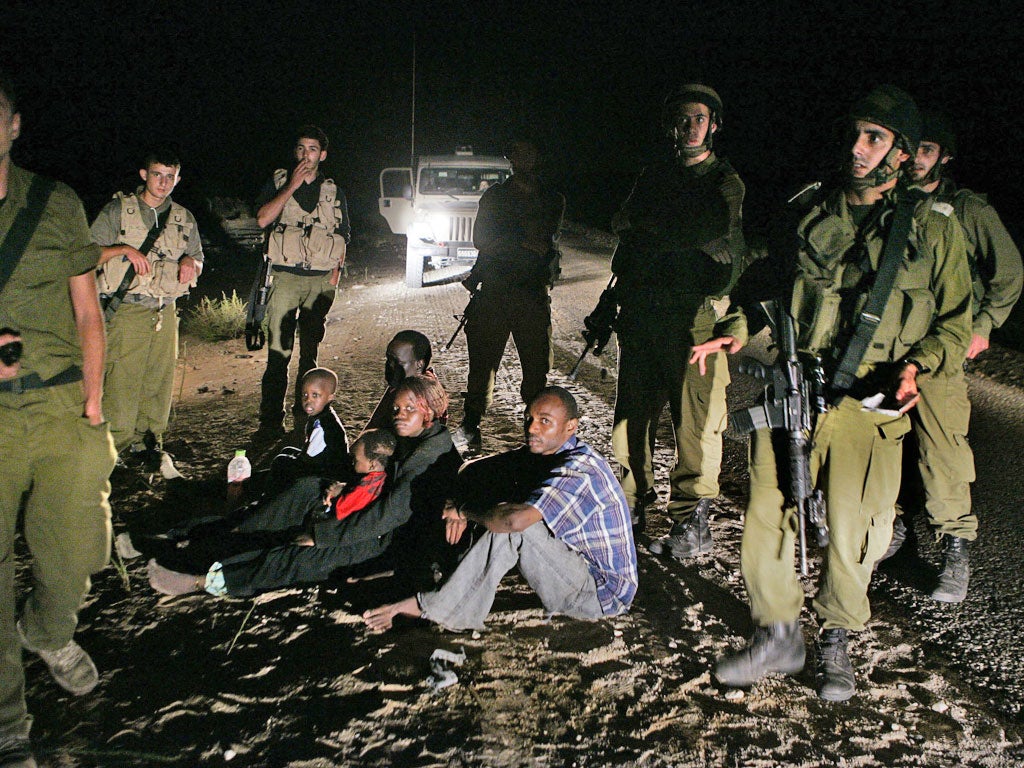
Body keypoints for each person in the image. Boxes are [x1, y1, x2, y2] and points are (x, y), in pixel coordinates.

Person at [713, 85, 972, 702]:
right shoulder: (808, 209)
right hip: (797, 387)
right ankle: (778, 632)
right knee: (769, 513)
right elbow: (765, 283)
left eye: (875, 138)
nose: (857, 148)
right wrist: (736, 328)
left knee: (857, 528)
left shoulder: (935, 231)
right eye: (854, 134)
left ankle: (837, 638)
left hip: (869, 398)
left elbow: (957, 321)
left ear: (904, 154)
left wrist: (919, 367)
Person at [0, 72, 117, 768]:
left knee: (76, 554)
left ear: (14, 126)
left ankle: (46, 630)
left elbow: (87, 313)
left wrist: (95, 405)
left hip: (62, 405)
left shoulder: (57, 203)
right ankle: (8, 726)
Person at [879, 111, 1023, 602]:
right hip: (888, 349)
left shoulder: (963, 210)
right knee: (884, 444)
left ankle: (956, 546)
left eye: (928, 149)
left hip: (941, 346)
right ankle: (893, 530)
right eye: (912, 146)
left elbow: (1008, 273)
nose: (916, 158)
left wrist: (982, 327)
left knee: (942, 450)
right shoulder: (887, 203)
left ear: (944, 157)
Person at [147, 375, 461, 597]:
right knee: (306, 489)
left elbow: (385, 517)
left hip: (386, 542)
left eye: (409, 409)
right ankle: (215, 539)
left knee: (294, 557)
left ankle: (202, 582)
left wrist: (320, 536)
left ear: (429, 412)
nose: (399, 415)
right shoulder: (415, 439)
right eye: (396, 409)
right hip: (372, 519)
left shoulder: (429, 456)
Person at [363, 386, 638, 632]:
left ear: (571, 427)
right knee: (501, 508)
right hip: (576, 572)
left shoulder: (577, 471)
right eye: (529, 419)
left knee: (513, 523)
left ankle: (434, 607)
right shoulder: (551, 452)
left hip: (601, 597)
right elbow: (475, 469)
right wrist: (460, 504)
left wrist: (465, 511)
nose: (532, 429)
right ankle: (443, 584)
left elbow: (514, 523)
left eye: (545, 422)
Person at [610, 83, 748, 549]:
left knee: (695, 423)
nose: (691, 127)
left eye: (700, 118)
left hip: (695, 318)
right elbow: (621, 222)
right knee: (631, 419)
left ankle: (691, 519)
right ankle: (631, 505)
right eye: (683, 118)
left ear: (714, 125)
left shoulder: (724, 181)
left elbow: (706, 230)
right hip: (645, 311)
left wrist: (657, 228)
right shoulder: (654, 174)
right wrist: (661, 230)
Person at [91, 147, 203, 466]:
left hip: (165, 308)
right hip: (128, 307)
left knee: (159, 377)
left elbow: (198, 258)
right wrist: (124, 249)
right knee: (123, 378)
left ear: (177, 179)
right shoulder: (118, 211)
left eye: (170, 177)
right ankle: (116, 449)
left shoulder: (183, 218)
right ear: (144, 175)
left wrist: (189, 263)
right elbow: (87, 254)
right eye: (157, 175)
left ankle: (149, 443)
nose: (163, 183)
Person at [454, 139, 565, 449]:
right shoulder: (496, 196)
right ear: (512, 158)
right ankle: (471, 425)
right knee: (481, 368)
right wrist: (520, 242)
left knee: (535, 371)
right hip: (494, 292)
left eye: (530, 151)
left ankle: (534, 434)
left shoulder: (551, 199)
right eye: (519, 152)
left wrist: (508, 240)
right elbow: (481, 239)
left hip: (531, 294)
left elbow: (542, 238)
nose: (525, 157)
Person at [255, 125, 350, 436]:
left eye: (312, 149)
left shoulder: (333, 191)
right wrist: (291, 186)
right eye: (301, 149)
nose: (306, 155)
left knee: (310, 353)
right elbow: (263, 219)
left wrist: (335, 274)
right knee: (278, 354)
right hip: (285, 279)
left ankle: (306, 418)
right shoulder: (280, 181)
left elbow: (344, 234)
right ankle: (270, 423)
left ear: (322, 155)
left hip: (320, 282)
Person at [255, 366, 350, 496]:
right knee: (287, 451)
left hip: (328, 477)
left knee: (281, 461)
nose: (308, 400)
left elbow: (308, 459)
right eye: (305, 395)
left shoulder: (324, 426)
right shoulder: (323, 415)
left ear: (330, 397)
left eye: (315, 395)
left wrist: (288, 463)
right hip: (323, 465)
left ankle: (270, 499)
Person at [363, 330, 439, 433]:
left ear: (419, 364)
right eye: (389, 359)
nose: (390, 365)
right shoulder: (404, 384)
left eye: (398, 362)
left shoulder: (419, 396)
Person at [323, 428, 395, 520]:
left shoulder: (365, 487)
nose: (352, 462)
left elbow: (341, 510)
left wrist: (335, 493)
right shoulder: (381, 478)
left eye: (355, 460)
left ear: (372, 464)